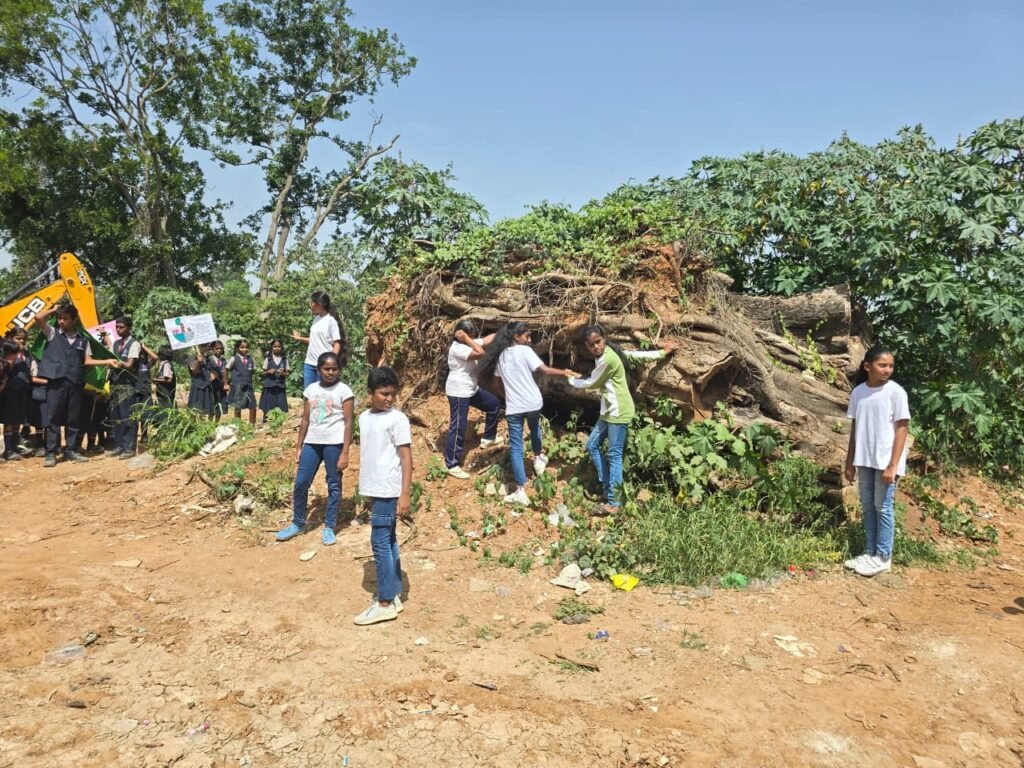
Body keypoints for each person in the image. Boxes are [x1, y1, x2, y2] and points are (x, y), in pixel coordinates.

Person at [570, 325, 676, 515]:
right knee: (592, 445)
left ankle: (614, 502)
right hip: (609, 411)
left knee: (614, 455)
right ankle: (607, 488)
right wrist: (661, 353)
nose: (596, 347)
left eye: (598, 342)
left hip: (619, 411)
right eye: (591, 345)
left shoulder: (608, 358)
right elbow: (635, 356)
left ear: (604, 338)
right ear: (586, 346)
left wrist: (570, 378)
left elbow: (592, 382)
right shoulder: (611, 352)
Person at [479, 321, 578, 507]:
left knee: (516, 448)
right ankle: (538, 458)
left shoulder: (500, 356)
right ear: (516, 337)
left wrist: (507, 397)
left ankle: (520, 491)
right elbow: (545, 370)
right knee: (534, 428)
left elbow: (497, 384)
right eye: (527, 336)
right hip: (533, 402)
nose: (529, 339)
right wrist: (565, 372)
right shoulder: (525, 352)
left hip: (515, 407)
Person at [843, 345, 910, 578]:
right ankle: (870, 552)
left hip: (886, 462)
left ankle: (883, 557)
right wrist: (849, 462)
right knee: (868, 506)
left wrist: (893, 465)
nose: (887, 370)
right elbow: (855, 429)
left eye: (890, 366)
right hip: (865, 459)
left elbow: (902, 429)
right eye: (882, 365)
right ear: (867, 366)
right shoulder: (858, 393)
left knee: (883, 507)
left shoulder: (896, 392)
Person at [275, 351, 354, 546]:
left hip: (334, 443)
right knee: (301, 482)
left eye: (334, 369)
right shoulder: (311, 390)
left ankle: (330, 526)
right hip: (312, 442)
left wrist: (345, 451)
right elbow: (305, 419)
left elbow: (348, 422)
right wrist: (299, 446)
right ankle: (298, 523)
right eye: (326, 369)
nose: (330, 372)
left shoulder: (344, 391)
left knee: (333, 484)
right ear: (318, 369)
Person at [353, 366, 412, 626]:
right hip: (374, 487)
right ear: (370, 393)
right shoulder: (364, 418)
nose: (389, 399)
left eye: (392, 394)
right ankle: (394, 592)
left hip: (389, 488)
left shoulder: (397, 420)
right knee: (388, 539)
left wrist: (404, 493)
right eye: (383, 394)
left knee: (379, 541)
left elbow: (407, 458)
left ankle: (385, 602)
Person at [33, 303, 113, 467]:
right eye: (60, 318)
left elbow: (87, 360)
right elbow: (38, 317)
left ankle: (71, 450)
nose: (61, 321)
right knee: (54, 418)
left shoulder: (83, 340)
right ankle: (51, 453)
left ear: (74, 320)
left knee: (73, 418)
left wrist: (108, 361)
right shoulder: (52, 333)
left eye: (65, 318)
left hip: (75, 382)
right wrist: (53, 310)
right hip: (56, 382)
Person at [443, 320, 501, 480]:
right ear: (461, 335)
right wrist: (468, 339)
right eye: (470, 336)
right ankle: (451, 464)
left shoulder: (468, 342)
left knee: (493, 405)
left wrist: (503, 333)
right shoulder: (458, 348)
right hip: (458, 391)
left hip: (470, 389)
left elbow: (486, 340)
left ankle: (488, 438)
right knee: (458, 426)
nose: (473, 338)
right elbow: (481, 353)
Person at [291, 290, 347, 388]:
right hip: (309, 363)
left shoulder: (331, 321)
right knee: (308, 392)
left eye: (312, 302)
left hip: (323, 365)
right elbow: (314, 340)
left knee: (321, 393)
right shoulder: (316, 319)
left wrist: (331, 363)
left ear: (319, 304)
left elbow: (337, 344)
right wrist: (299, 338)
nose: (310, 305)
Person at [107, 317, 144, 459]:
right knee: (115, 416)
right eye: (117, 327)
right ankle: (119, 445)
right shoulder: (116, 344)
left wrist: (120, 364)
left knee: (127, 416)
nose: (118, 330)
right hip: (115, 384)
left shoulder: (134, 344)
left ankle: (129, 447)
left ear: (129, 328)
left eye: (121, 327)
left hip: (128, 386)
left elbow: (129, 365)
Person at [1, 332, 33, 460]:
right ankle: (8, 450)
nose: (21, 341)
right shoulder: (6, 355)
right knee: (9, 420)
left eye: (23, 339)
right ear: (10, 339)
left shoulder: (27, 355)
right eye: (18, 338)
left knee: (17, 420)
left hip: (22, 390)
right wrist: (11, 362)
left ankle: (15, 447)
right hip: (9, 392)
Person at [227, 339, 257, 425]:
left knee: (253, 406)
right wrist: (226, 383)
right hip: (238, 386)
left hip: (249, 386)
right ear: (237, 348)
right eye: (242, 347)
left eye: (246, 347)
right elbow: (226, 369)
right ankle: (238, 425)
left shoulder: (251, 359)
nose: (245, 349)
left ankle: (252, 425)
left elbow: (253, 371)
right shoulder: (234, 358)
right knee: (238, 407)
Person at [259, 338, 290, 421]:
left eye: (279, 346)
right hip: (269, 386)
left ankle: (278, 421)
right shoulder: (268, 359)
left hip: (280, 386)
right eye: (275, 346)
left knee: (280, 404)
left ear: (281, 348)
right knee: (268, 404)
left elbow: (287, 373)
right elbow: (262, 372)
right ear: (272, 348)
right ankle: (266, 420)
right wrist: (268, 371)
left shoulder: (284, 360)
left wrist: (283, 373)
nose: (277, 348)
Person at [186, 344, 214, 417]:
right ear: (198, 347)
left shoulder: (208, 359)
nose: (205, 348)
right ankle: (192, 423)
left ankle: (202, 423)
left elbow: (209, 371)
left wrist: (211, 376)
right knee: (194, 411)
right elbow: (194, 372)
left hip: (206, 386)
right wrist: (198, 362)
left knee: (204, 411)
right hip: (197, 387)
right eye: (203, 346)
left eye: (206, 346)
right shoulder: (191, 358)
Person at [152, 345, 177, 416]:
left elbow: (169, 379)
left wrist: (155, 379)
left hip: (166, 392)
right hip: (163, 392)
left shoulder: (166, 364)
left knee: (166, 408)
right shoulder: (164, 363)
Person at [208, 341, 229, 420]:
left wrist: (226, 383)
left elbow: (226, 373)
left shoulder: (224, 360)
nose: (219, 350)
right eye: (217, 348)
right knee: (212, 405)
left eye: (221, 349)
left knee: (220, 405)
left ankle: (216, 423)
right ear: (213, 349)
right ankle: (210, 422)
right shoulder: (209, 360)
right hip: (212, 386)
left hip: (221, 386)